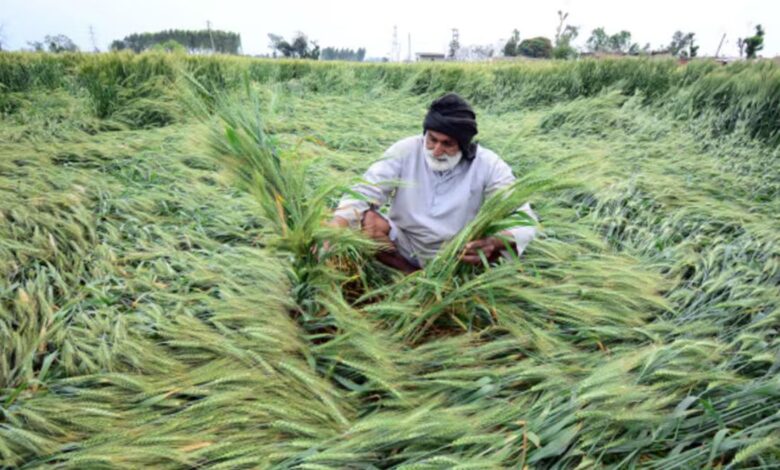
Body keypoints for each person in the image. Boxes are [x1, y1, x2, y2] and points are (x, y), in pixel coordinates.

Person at [329, 92, 537, 273]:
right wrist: (331, 232)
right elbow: (364, 191)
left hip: (458, 252)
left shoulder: (488, 165)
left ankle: (456, 280)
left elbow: (524, 219)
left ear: (464, 145)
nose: (436, 151)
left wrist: (493, 243)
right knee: (369, 221)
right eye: (432, 139)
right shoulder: (406, 150)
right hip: (403, 244)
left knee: (496, 249)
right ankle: (409, 276)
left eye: (448, 144)